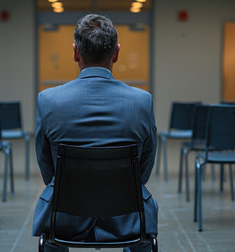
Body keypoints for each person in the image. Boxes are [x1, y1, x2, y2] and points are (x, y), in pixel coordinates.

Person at [32, 14, 158, 252]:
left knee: (50, 225)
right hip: (128, 216)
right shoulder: (142, 101)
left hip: (64, 215)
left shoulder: (48, 100)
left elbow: (46, 163)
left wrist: (68, 191)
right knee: (142, 225)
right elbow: (145, 165)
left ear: (75, 52)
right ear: (116, 53)